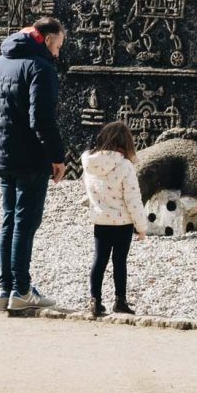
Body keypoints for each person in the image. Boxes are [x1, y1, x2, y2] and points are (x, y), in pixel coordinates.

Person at [0, 16, 68, 313]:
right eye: (59, 45)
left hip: (1, 155)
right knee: (25, 225)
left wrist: (4, 138)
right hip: (31, 159)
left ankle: (5, 290)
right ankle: (22, 290)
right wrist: (57, 157)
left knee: (9, 220)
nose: (59, 53)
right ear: (49, 39)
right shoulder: (40, 67)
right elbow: (41, 120)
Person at [80, 121, 147, 318]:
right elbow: (132, 198)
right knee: (120, 262)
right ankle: (120, 301)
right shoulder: (125, 165)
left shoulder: (90, 164)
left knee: (99, 260)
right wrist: (141, 227)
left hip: (100, 220)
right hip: (122, 223)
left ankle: (95, 301)